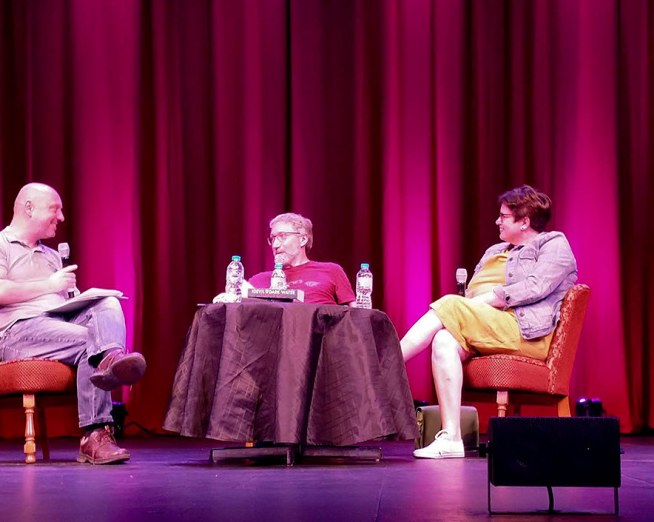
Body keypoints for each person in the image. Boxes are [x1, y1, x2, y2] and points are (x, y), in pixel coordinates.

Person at [0, 183, 146, 465]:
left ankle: (110, 359)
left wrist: (75, 298)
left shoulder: (52, 256)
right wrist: (50, 284)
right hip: (17, 332)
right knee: (94, 342)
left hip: (55, 327)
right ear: (29, 208)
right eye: (55, 209)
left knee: (108, 303)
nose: (61, 217)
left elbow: (61, 311)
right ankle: (96, 433)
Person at [399, 185, 577, 459]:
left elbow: (536, 286)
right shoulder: (496, 249)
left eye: (504, 216)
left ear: (524, 222)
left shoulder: (553, 244)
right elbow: (471, 293)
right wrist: (471, 304)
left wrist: (483, 301)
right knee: (443, 340)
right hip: (488, 326)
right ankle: (451, 439)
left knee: (449, 303)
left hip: (523, 330)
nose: (497, 221)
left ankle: (387, 365)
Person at [243, 212, 356, 306]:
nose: (275, 245)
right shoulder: (257, 281)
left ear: (303, 239)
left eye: (282, 236)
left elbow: (356, 317)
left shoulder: (331, 271)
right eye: (273, 238)